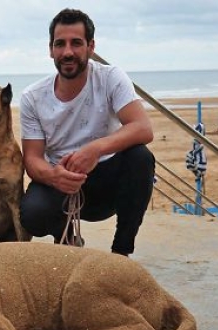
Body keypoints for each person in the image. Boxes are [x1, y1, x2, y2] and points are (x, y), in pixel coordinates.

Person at [19, 8, 155, 256]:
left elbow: (143, 127)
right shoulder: (32, 97)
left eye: (76, 43)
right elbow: (32, 158)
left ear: (91, 47)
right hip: (60, 179)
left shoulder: (110, 77)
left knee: (141, 158)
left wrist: (96, 148)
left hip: (106, 183)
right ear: (51, 50)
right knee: (32, 215)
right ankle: (68, 236)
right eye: (60, 44)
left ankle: (121, 253)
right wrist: (53, 176)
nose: (67, 52)